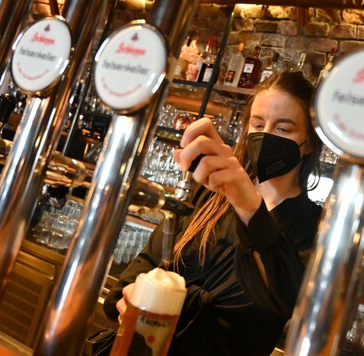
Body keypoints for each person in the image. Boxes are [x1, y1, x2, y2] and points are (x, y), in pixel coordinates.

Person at [104, 71, 324, 355]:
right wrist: (132, 297)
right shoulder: (209, 195)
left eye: (284, 129)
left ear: (309, 143)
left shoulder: (314, 227)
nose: (266, 136)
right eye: (258, 123)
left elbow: (286, 298)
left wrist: (248, 204)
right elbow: (144, 266)